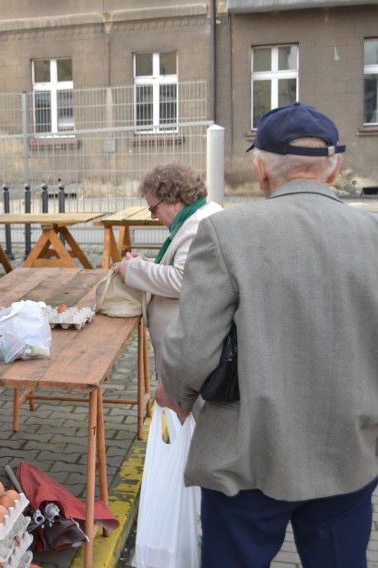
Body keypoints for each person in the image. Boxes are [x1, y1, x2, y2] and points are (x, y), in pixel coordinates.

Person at [158, 102, 378, 567]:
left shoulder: (227, 232)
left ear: (260, 169)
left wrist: (175, 391)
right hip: (349, 450)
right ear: (334, 169)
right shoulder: (372, 233)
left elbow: (193, 348)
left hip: (249, 453)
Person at [115, 162, 222, 418]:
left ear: (174, 200)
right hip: (188, 342)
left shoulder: (197, 226)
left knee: (191, 419)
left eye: (153, 208)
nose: (152, 216)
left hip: (188, 346)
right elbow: (184, 268)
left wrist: (131, 270)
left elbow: (181, 280)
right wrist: (146, 264)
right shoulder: (196, 219)